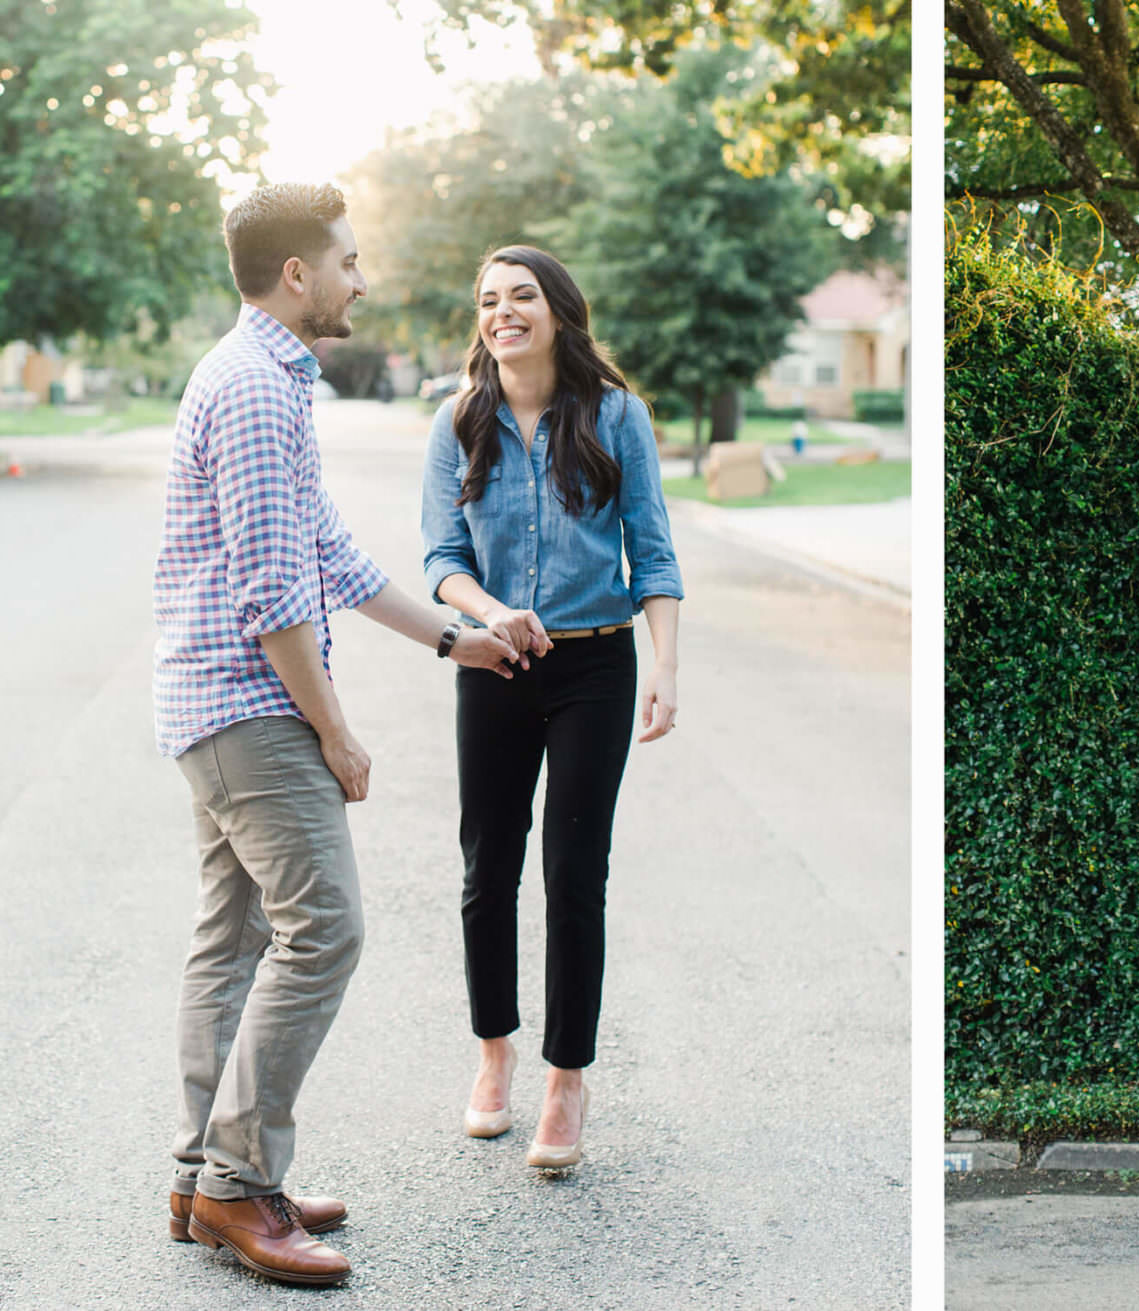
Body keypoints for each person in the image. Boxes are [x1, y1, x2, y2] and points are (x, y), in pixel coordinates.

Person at [154, 183, 530, 1285]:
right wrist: (339, 733)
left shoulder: (257, 379)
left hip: (212, 711)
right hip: (254, 711)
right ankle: (235, 1188)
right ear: (297, 276)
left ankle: (202, 1177)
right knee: (325, 933)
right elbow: (275, 600)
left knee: (231, 947)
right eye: (351, 262)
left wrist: (455, 637)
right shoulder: (257, 395)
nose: (363, 280)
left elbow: (333, 558)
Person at [420, 245, 682, 1171]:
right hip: (492, 667)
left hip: (592, 671)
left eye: (522, 296)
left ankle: (566, 1078)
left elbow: (652, 554)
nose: (503, 313)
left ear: (560, 311)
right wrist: (492, 612)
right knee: (487, 867)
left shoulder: (617, 416)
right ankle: (495, 1054)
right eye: (489, 300)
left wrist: (664, 667)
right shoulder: (460, 422)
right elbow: (440, 559)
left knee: (575, 874)